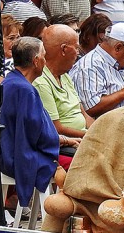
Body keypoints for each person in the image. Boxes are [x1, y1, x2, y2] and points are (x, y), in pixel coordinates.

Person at [0, 36, 59, 214]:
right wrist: (59, 141)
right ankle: (58, 219)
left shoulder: (11, 81)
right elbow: (36, 133)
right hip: (19, 156)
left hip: (12, 150)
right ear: (36, 61)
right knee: (74, 165)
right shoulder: (25, 90)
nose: (45, 60)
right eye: (44, 56)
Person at [33, 24, 92, 155]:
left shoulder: (65, 76)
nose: (78, 53)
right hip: (66, 145)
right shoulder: (41, 82)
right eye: (76, 48)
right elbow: (56, 128)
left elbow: (84, 115)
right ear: (64, 50)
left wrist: (100, 130)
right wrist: (91, 135)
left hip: (84, 138)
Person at [69, 21, 124, 117]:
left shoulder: (119, 64)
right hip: (102, 129)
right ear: (118, 48)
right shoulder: (89, 66)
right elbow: (91, 107)